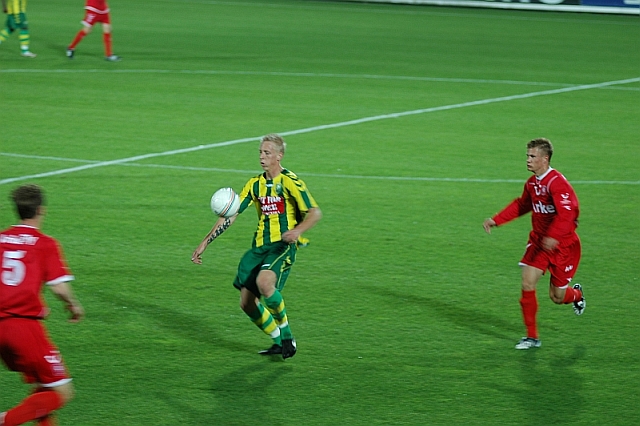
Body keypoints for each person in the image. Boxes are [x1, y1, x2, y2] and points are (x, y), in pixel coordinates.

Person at [192, 134, 322, 359]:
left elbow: (314, 212)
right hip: (259, 247)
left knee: (264, 282)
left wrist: (297, 231)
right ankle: (278, 342)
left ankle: (287, 335)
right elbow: (231, 214)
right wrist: (205, 241)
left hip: (281, 246)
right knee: (247, 303)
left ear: (279, 156)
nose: (262, 157)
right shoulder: (255, 184)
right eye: (261, 152)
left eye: (267, 153)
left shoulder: (291, 181)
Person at [483, 138, 586, 350]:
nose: (528, 160)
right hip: (539, 243)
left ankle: (576, 295)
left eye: (532, 156)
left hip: (563, 246)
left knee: (557, 297)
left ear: (545, 159)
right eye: (527, 156)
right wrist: (497, 219)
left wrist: (554, 235)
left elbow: (569, 213)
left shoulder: (557, 183)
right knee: (527, 283)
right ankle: (531, 337)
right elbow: (522, 205)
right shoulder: (532, 184)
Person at [0, 184, 84, 426]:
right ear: (41, 210)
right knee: (62, 392)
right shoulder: (44, 243)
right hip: (24, 329)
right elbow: (59, 287)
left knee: (43, 388)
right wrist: (74, 306)